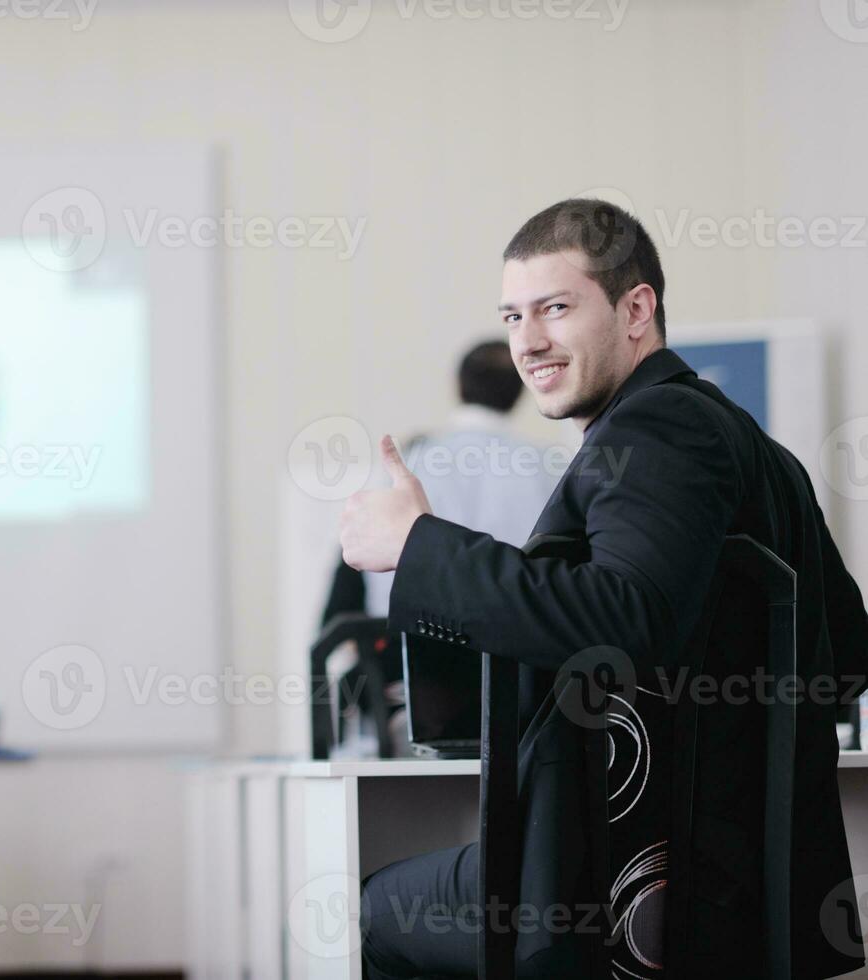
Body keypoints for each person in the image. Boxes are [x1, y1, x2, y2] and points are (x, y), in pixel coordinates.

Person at [338, 198, 868, 978]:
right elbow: (847, 655)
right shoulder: (756, 448)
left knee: (374, 911)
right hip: (740, 890)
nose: (529, 341)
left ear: (636, 309)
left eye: (555, 308)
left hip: (623, 881)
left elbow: (626, 616)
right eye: (513, 316)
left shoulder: (655, 430)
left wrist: (418, 548)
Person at [321, 339, 558, 627]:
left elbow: (357, 557)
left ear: (457, 384)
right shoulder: (549, 468)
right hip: (509, 651)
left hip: (401, 648)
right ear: (521, 391)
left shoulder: (407, 460)